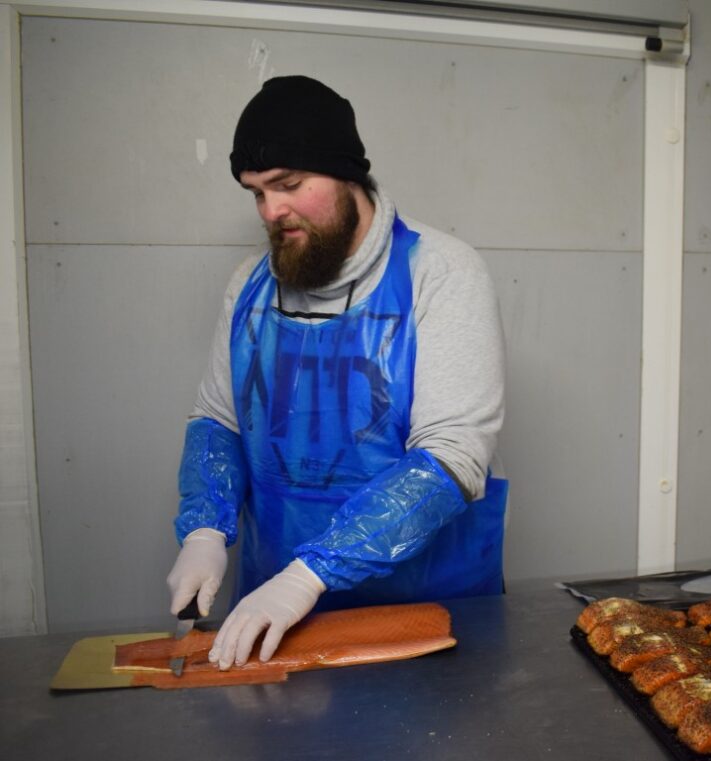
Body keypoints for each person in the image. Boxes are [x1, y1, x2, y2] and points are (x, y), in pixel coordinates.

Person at [164, 75, 507, 671]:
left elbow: (453, 454)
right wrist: (204, 530)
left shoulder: (441, 272)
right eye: (256, 194)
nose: (273, 211)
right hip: (279, 621)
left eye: (289, 185)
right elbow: (218, 419)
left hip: (427, 613)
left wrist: (310, 575)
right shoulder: (251, 284)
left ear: (348, 174)